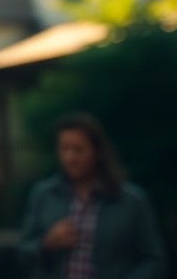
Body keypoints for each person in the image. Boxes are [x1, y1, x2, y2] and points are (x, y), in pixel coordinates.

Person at [17, 113, 167, 278]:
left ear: (98, 152)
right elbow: (23, 252)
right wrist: (46, 243)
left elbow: (154, 260)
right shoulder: (44, 195)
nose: (70, 157)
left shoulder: (131, 200)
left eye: (78, 150)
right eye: (64, 149)